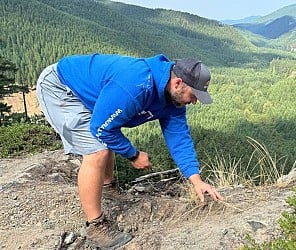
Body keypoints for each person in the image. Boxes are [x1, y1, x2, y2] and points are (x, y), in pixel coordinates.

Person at [36, 53, 224, 249]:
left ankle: (107, 188)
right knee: (97, 150)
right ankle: (95, 225)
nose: (194, 102)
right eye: (194, 96)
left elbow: (179, 139)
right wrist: (133, 154)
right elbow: (102, 128)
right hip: (60, 87)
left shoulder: (174, 101)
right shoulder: (135, 85)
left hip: (89, 90)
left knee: (105, 140)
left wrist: (196, 180)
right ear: (178, 83)